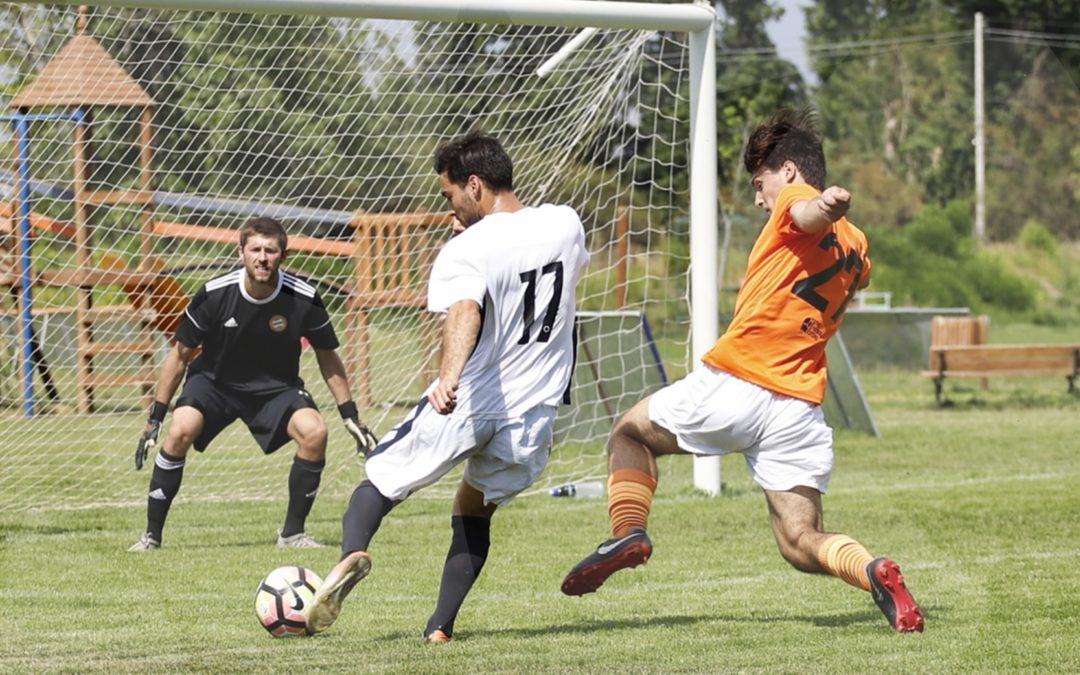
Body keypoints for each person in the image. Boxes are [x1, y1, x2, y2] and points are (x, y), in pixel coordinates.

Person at [560, 109, 925, 634]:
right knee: (800, 542)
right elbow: (857, 273)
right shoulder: (858, 245)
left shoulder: (796, 203)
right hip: (798, 410)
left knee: (629, 432)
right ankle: (873, 570)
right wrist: (835, 219)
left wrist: (824, 204)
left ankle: (627, 532)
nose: (759, 198)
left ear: (791, 172)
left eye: (761, 184)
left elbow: (806, 215)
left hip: (740, 384)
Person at [304, 131, 589, 643]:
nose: (449, 207)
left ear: (474, 185)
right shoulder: (565, 223)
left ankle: (350, 554)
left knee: (380, 479)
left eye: (449, 195)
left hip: (470, 398)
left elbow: (464, 310)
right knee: (472, 509)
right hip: (535, 416)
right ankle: (440, 629)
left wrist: (448, 377)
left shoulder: (467, 247)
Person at [127, 216, 378, 552]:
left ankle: (292, 535)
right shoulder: (214, 294)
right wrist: (155, 418)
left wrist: (351, 416)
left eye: (270, 251)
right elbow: (180, 355)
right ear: (241, 252)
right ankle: (151, 537)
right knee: (179, 430)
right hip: (214, 382)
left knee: (315, 432)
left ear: (283, 256)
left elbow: (328, 357)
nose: (262, 257)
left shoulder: (304, 298)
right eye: (255, 249)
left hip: (276, 388)